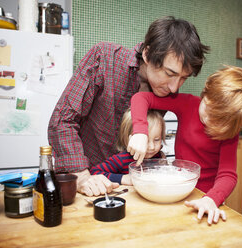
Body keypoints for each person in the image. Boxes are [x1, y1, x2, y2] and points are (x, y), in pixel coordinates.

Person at [48, 16, 210, 197]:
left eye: (183, 78)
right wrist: (82, 176)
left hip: (130, 189)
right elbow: (62, 121)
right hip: (85, 184)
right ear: (147, 54)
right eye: (169, 73)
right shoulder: (104, 59)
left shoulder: (165, 90)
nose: (174, 87)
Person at [127, 66, 242, 225]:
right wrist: (140, 131)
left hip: (206, 198)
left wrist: (212, 199)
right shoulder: (188, 104)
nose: (209, 119)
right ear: (205, 93)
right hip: (179, 188)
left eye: (219, 119)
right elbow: (141, 98)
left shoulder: (230, 131)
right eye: (208, 108)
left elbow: (228, 174)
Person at [90, 109, 166, 185]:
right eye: (145, 140)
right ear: (129, 139)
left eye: (157, 139)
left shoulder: (158, 156)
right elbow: (94, 172)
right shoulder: (121, 159)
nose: (152, 147)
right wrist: (122, 178)